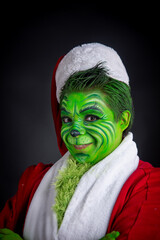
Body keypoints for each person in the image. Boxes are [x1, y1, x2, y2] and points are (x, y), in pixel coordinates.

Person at [0, 43, 160, 240]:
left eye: (91, 117)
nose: (74, 130)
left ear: (123, 120)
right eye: (67, 119)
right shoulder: (34, 180)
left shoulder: (148, 187)